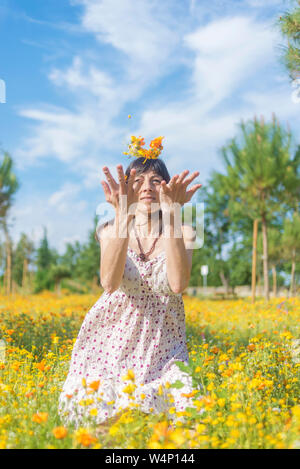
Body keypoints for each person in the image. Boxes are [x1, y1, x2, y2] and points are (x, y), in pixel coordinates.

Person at [58, 154, 202, 428]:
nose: (147, 186)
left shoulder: (184, 231)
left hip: (164, 346)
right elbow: (109, 282)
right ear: (126, 189)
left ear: (167, 189)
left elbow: (177, 284)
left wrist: (172, 212)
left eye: (156, 181)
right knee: (103, 426)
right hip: (110, 342)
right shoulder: (109, 230)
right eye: (138, 181)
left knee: (184, 422)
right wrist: (123, 213)